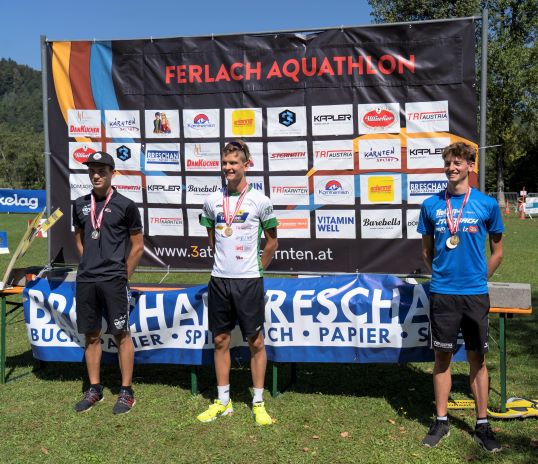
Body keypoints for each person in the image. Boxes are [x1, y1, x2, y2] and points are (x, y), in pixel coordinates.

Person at [417, 142, 504, 452]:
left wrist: (479, 279)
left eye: (458, 163)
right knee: (442, 358)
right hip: (443, 294)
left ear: (470, 166)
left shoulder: (486, 204)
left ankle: (482, 425)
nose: (451, 168)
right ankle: (441, 421)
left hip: (475, 294)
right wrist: (443, 277)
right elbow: (426, 252)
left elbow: (498, 251)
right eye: (448, 163)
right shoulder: (430, 205)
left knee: (477, 359)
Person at [197, 140, 278, 425]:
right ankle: (223, 401)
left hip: (248, 281)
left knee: (256, 341)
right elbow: (211, 238)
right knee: (220, 340)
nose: (228, 167)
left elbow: (272, 243)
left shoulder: (261, 201)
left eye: (234, 162)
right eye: (225, 163)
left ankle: (258, 402)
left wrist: (257, 269)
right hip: (219, 280)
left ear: (246, 164)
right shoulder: (212, 200)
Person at [72, 151, 144, 414]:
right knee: (91, 335)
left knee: (121, 334)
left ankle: (126, 391)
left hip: (114, 281)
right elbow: (79, 239)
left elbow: (137, 246)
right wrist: (90, 263)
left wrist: (122, 275)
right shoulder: (80, 204)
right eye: (92, 170)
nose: (96, 175)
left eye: (102, 171)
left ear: (113, 173)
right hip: (87, 280)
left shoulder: (126, 205)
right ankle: (94, 389)